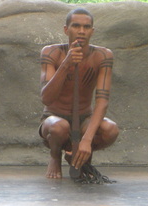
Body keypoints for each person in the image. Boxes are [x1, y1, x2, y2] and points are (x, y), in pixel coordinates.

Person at [39, 8, 119, 179]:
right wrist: (66, 64)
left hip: (84, 120)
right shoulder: (51, 53)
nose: (81, 31)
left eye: (86, 27)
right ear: (66, 30)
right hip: (53, 120)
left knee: (110, 129)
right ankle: (55, 156)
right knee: (59, 127)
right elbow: (46, 98)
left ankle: (78, 154)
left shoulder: (103, 56)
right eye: (76, 26)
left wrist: (87, 140)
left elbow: (102, 102)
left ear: (92, 31)